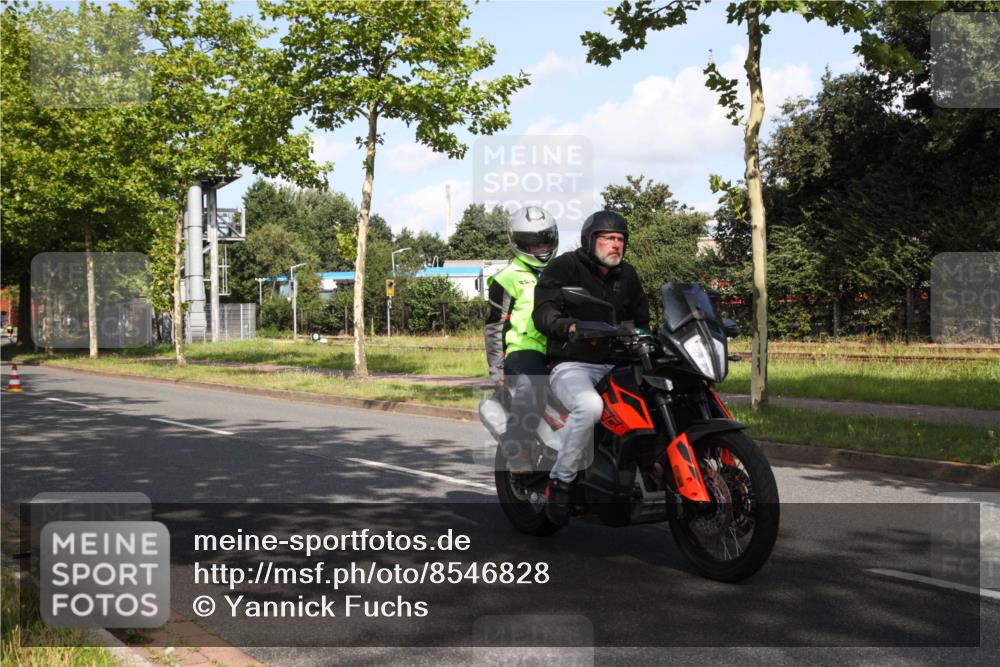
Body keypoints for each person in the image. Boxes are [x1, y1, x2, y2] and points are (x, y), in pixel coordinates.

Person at [533, 210, 650, 525]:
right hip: (574, 364)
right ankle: (560, 482)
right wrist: (567, 326)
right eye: (608, 238)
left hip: (620, 364)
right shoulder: (565, 267)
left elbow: (642, 321)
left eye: (620, 239)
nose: (616, 245)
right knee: (589, 406)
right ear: (590, 240)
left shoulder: (628, 275)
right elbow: (543, 312)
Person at [484, 206, 560, 473]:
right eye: (532, 241)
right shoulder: (506, 278)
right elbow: (494, 326)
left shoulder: (560, 272)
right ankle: (515, 447)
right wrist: (496, 369)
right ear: (517, 242)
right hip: (524, 350)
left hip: (560, 348)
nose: (540, 246)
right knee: (533, 391)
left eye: (545, 239)